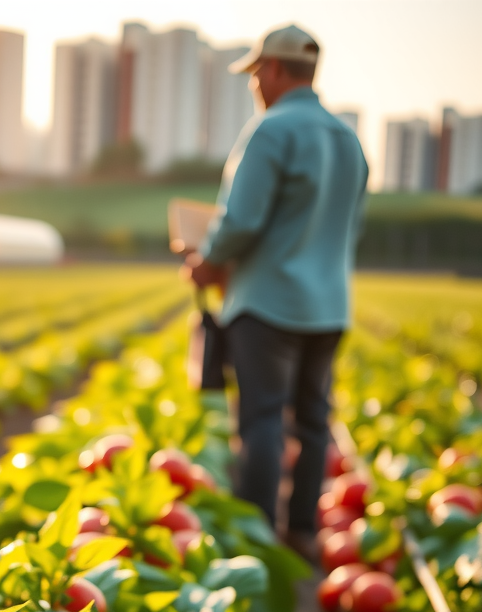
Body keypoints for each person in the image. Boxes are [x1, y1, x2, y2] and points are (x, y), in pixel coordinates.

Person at [182, 24, 367, 560]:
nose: (255, 84)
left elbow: (240, 220)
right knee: (312, 421)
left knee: (261, 419)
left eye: (257, 72)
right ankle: (303, 532)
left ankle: (258, 539)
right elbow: (350, 228)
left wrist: (208, 263)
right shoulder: (347, 139)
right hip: (329, 306)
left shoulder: (271, 130)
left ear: (275, 69)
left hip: (267, 303)